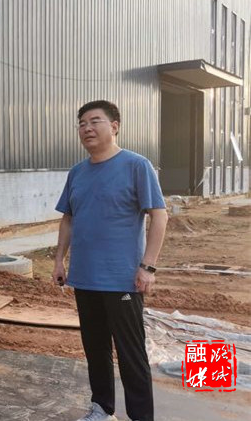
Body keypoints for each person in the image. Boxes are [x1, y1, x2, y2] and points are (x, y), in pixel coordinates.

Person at [52, 100, 167, 421]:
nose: (86, 128)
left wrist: (148, 266)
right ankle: (102, 408)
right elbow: (68, 219)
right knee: (95, 348)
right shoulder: (77, 172)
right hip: (85, 278)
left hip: (123, 279)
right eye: (82, 123)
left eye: (95, 121)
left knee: (131, 353)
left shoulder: (136, 165)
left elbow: (159, 215)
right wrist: (59, 260)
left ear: (114, 126)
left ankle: (141, 417)